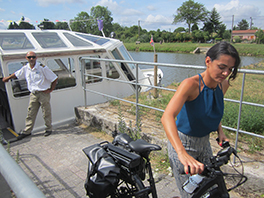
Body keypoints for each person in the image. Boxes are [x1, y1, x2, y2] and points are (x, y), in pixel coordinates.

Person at [161, 41, 240, 198]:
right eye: (222, 67)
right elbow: (167, 116)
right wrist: (181, 153)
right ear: (208, 61)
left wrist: (220, 131)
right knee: (192, 193)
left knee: (211, 188)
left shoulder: (222, 85)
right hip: (183, 144)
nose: (226, 73)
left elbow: (211, 108)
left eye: (230, 69)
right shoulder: (190, 84)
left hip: (204, 143)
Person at [2, 51, 58, 140]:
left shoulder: (42, 68)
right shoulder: (26, 68)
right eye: (29, 57)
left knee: (46, 113)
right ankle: (27, 131)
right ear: (26, 58)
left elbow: (54, 78)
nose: (31, 59)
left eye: (33, 57)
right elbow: (16, 74)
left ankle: (48, 129)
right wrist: (7, 78)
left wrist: (50, 89)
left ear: (36, 58)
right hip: (33, 94)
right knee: (30, 113)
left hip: (43, 94)